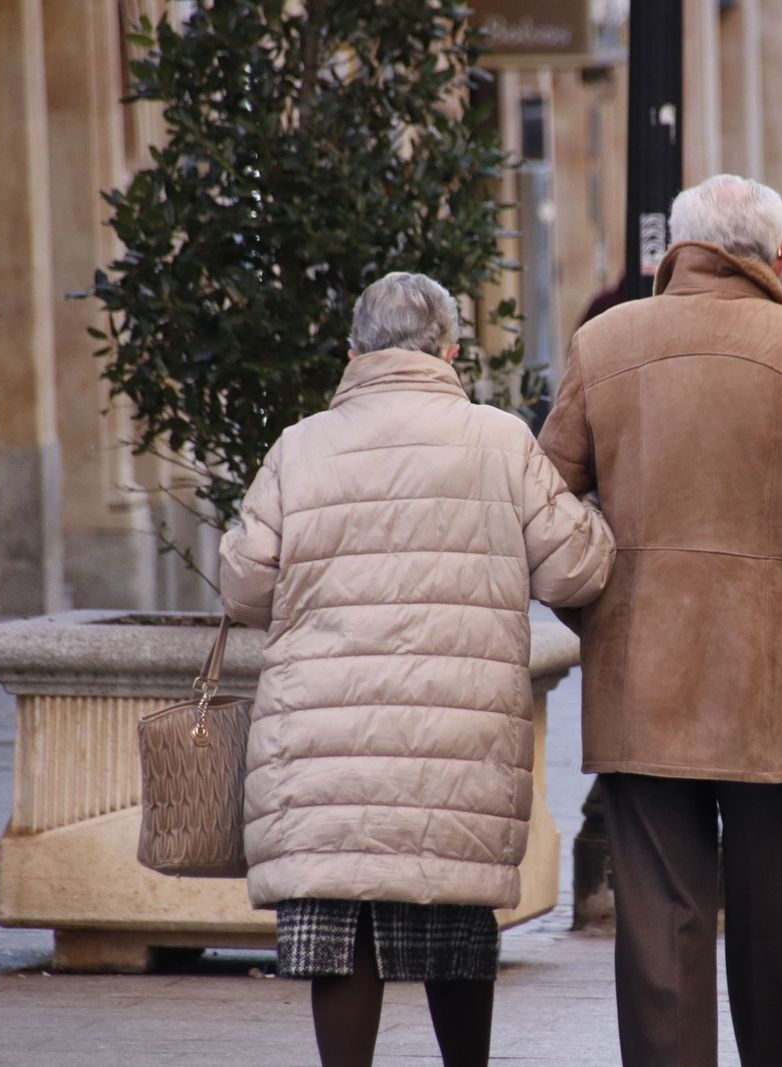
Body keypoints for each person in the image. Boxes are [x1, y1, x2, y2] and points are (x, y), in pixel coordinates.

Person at [538, 174, 782, 1067]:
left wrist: (599, 613)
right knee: (775, 904)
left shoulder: (604, 343)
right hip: (771, 678)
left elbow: (543, 507)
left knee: (662, 916)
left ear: (676, 249)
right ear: (778, 256)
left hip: (641, 674)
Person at [217, 272, 616, 1067]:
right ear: (451, 351)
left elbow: (245, 586)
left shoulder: (300, 446)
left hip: (325, 738)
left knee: (339, 929)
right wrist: (599, 518)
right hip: (456, 730)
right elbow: (574, 570)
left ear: (352, 353)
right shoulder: (500, 440)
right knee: (455, 919)